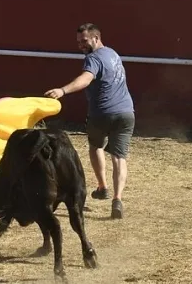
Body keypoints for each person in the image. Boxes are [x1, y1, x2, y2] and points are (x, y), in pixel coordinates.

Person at [44, 23, 134, 220]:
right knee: (119, 157)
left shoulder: (93, 59)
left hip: (102, 113)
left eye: (84, 41)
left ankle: (102, 186)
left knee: (96, 146)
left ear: (96, 38)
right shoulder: (113, 54)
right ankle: (117, 199)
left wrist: (62, 90)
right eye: (78, 42)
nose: (81, 45)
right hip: (126, 112)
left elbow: (85, 79)